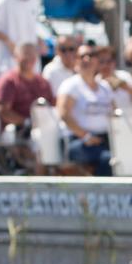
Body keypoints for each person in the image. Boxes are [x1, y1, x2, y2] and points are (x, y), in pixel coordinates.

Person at [0, 41, 55, 171]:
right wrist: (26, 122)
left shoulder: (42, 82)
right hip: (18, 131)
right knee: (38, 145)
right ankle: (39, 184)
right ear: (16, 57)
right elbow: (3, 111)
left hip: (43, 129)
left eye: (32, 56)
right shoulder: (9, 81)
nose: (29, 60)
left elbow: (52, 106)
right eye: (25, 56)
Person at [55, 43, 115, 176]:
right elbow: (64, 114)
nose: (87, 59)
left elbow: (115, 113)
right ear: (76, 60)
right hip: (78, 140)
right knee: (107, 159)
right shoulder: (70, 85)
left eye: (91, 55)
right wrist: (86, 136)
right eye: (82, 56)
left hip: (104, 139)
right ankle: (102, 195)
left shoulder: (105, 87)